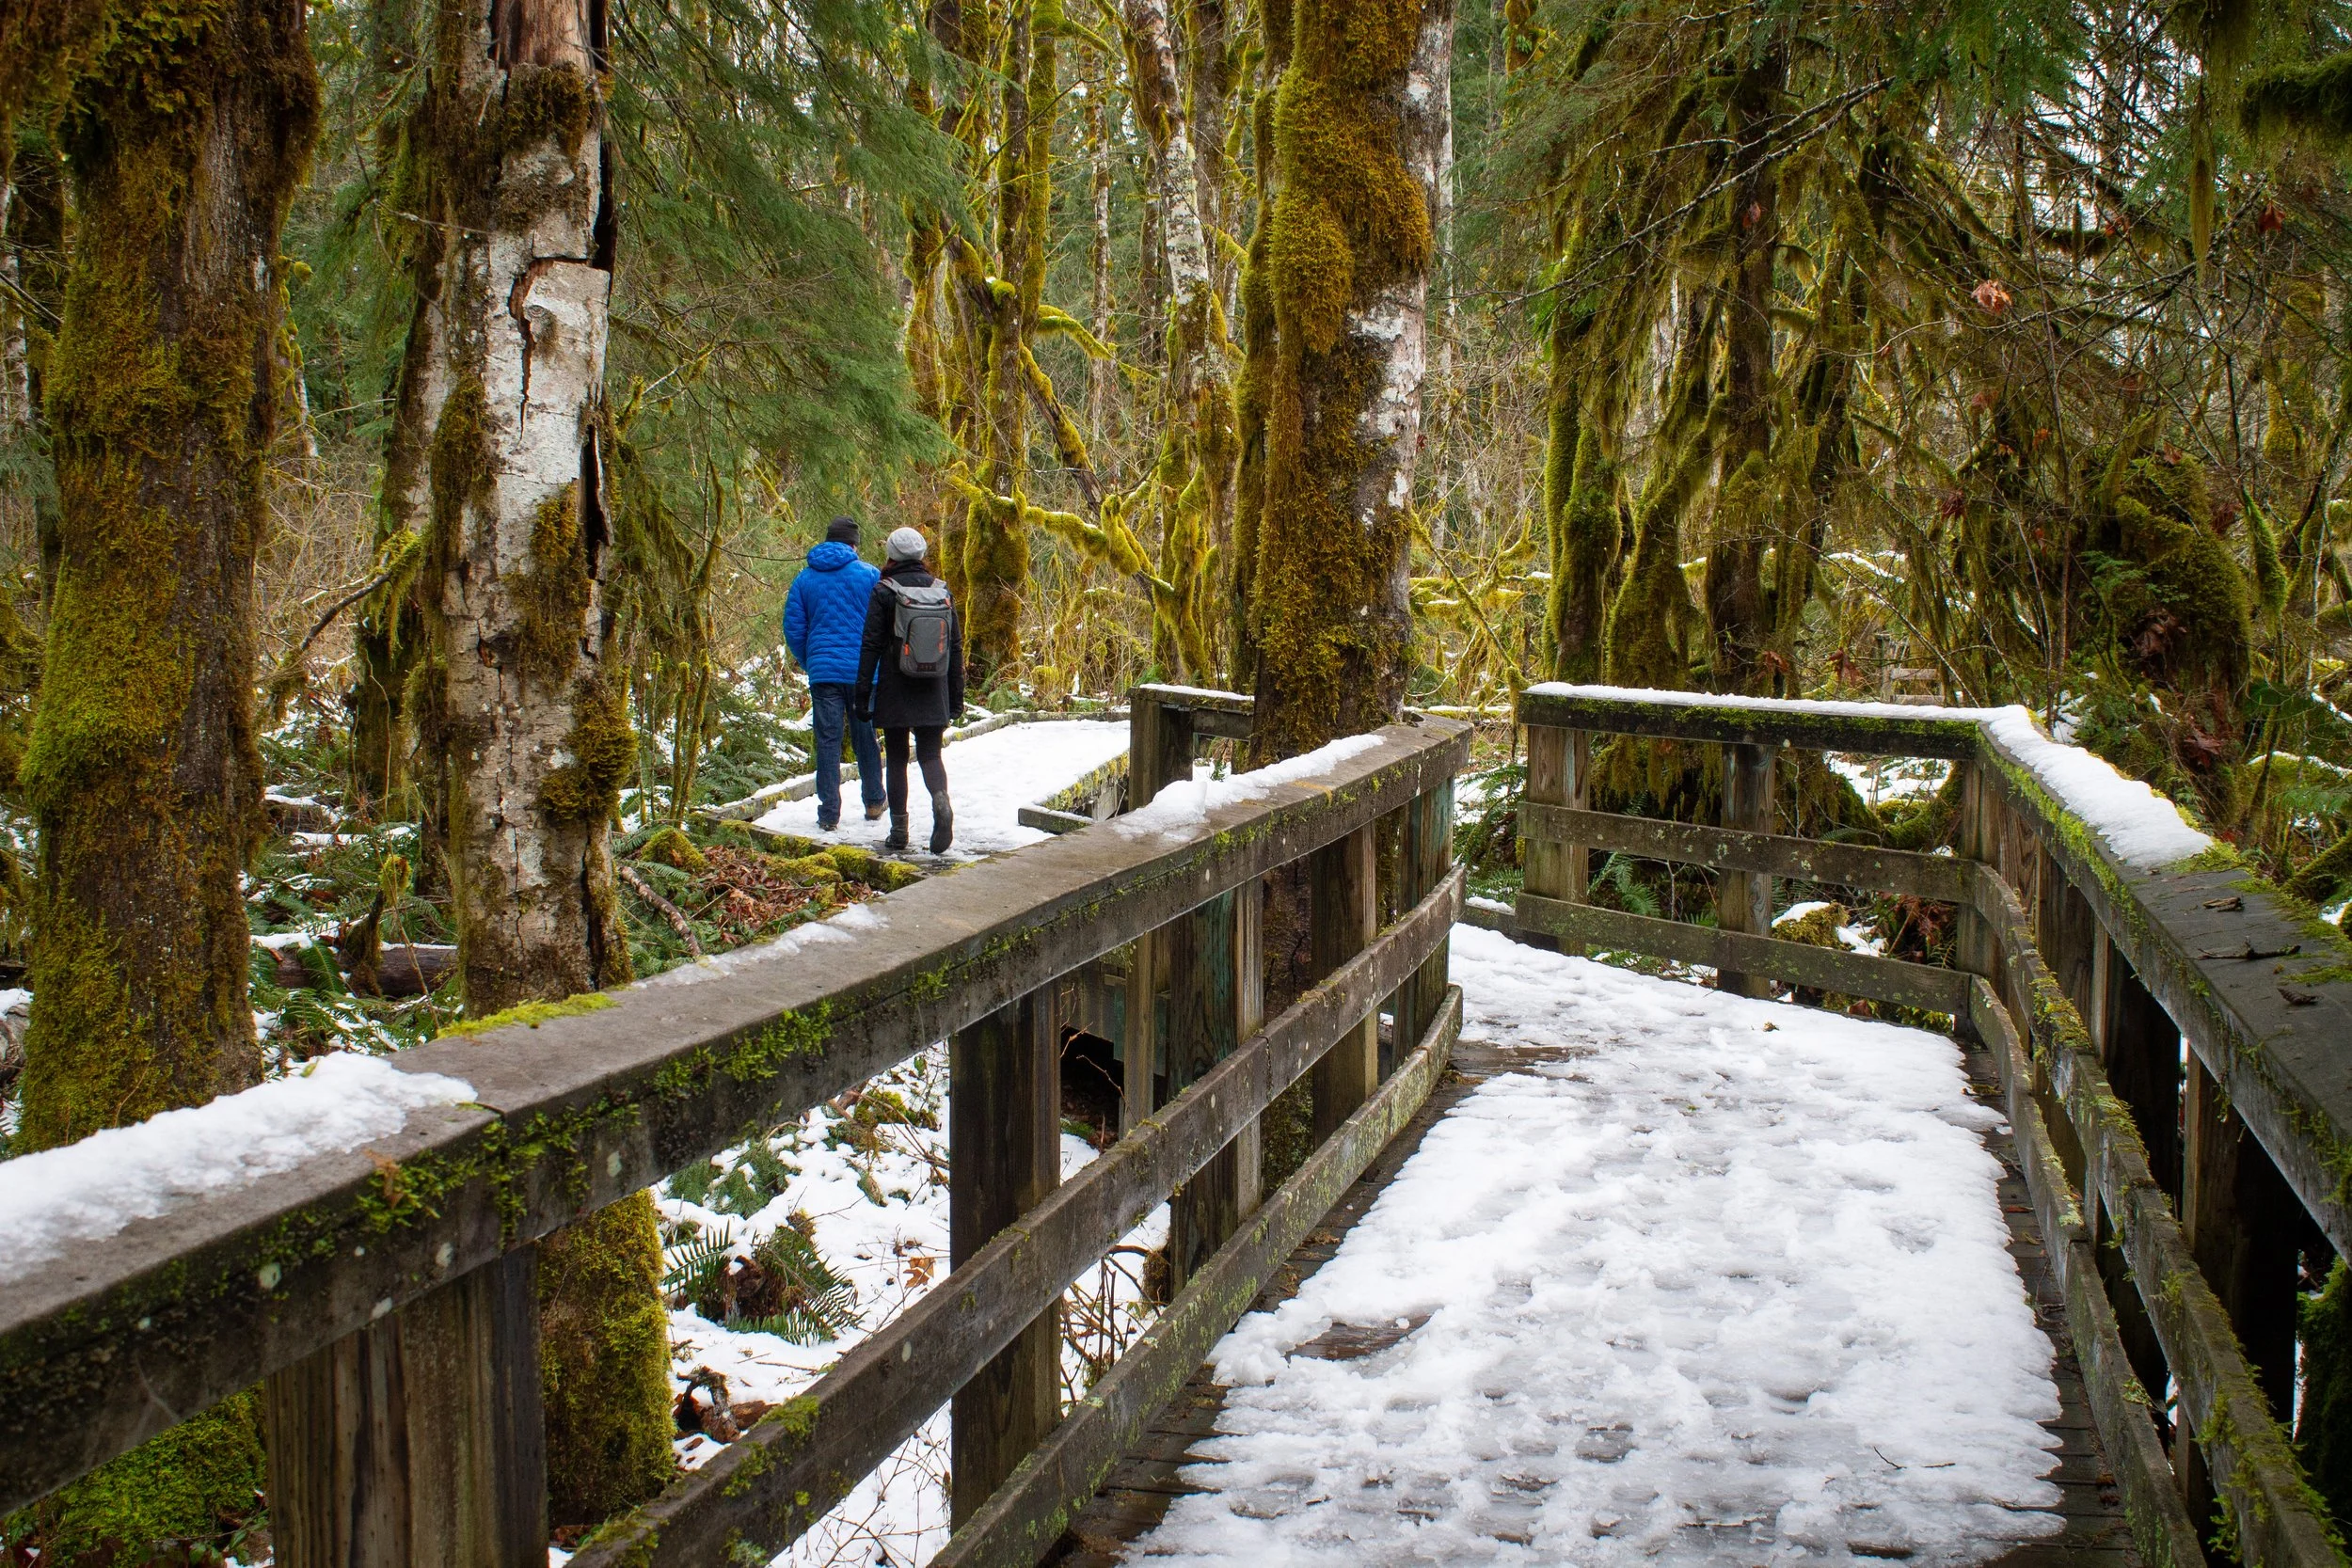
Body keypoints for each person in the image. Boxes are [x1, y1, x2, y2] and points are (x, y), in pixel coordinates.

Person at [854, 526, 964, 853]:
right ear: (921, 555)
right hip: (934, 687)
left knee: (898, 757)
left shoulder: (884, 591)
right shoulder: (942, 590)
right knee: (931, 754)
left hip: (896, 685)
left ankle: (899, 832)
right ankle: (940, 799)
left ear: (891, 555)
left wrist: (862, 694)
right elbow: (955, 647)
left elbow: (870, 646)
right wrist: (955, 697)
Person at [783, 515, 885, 832]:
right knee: (864, 736)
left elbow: (794, 628)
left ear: (828, 541)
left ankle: (829, 814)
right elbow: (883, 624)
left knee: (827, 741)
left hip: (823, 673)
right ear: (854, 544)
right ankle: (873, 801)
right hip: (862, 672)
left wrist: (812, 660)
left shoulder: (804, 579)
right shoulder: (869, 575)